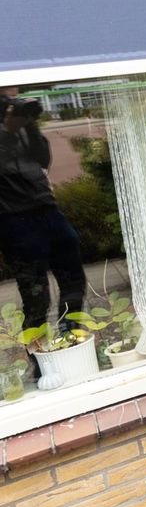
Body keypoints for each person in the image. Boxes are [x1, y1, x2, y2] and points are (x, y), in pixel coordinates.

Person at [0, 87, 86, 340]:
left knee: (74, 282)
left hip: (47, 210)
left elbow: (42, 160)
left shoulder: (19, 117)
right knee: (36, 297)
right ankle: (41, 364)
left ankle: (71, 339)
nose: (12, 93)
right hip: (13, 219)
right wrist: (10, 130)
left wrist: (29, 125)